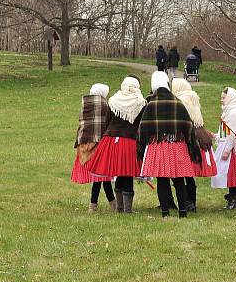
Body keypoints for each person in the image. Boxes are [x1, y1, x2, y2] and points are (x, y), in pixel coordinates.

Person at [138, 71, 200, 219]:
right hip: (177, 145)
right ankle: (182, 212)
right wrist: (191, 144)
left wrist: (142, 145)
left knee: (162, 180)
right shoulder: (177, 102)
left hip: (158, 146)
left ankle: (165, 212)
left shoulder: (151, 104)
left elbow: (143, 128)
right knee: (179, 179)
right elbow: (188, 125)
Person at [86, 74, 147, 213]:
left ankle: (119, 207)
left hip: (112, 140)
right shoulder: (140, 102)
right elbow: (141, 125)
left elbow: (107, 121)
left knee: (120, 172)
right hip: (129, 141)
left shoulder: (113, 100)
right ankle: (127, 209)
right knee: (128, 174)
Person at [171, 78, 217, 212]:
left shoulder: (181, 100)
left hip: (188, 138)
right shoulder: (193, 98)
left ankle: (188, 201)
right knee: (189, 174)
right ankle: (191, 200)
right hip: (198, 135)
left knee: (184, 172)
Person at [71, 84, 115, 212]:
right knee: (100, 175)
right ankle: (94, 204)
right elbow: (107, 124)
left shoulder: (85, 105)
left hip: (84, 143)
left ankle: (111, 203)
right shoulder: (104, 106)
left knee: (101, 176)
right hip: (98, 143)